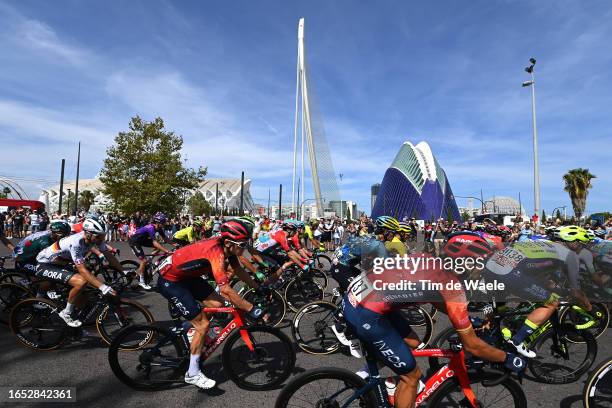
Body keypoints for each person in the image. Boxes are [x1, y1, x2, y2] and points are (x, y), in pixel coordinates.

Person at [343, 242, 525, 408]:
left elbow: (435, 298)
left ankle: (383, 382)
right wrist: (508, 358)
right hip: (366, 313)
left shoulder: (429, 260)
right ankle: (379, 379)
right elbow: (473, 347)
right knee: (411, 376)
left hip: (358, 298)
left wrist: (465, 319)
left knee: (415, 344)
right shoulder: (451, 285)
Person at [157, 221, 264, 389]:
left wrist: (258, 288)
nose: (245, 248)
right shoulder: (217, 253)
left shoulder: (227, 247)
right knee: (203, 324)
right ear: (229, 243)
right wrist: (252, 309)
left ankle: (192, 330)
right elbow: (226, 290)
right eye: (243, 244)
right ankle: (192, 373)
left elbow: (239, 270)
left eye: (247, 243)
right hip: (170, 280)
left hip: (186, 276)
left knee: (217, 304)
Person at [483, 225, 595, 358]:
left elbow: (537, 270)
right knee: (552, 303)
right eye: (582, 244)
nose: (583, 249)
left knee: (499, 310)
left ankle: (490, 334)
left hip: (492, 265)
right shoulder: (570, 255)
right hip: (509, 272)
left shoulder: (544, 243)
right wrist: (589, 309)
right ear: (574, 243)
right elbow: (576, 291)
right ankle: (517, 341)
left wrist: (551, 286)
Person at [35, 217, 122, 327]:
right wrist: (104, 288)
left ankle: (77, 322)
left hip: (62, 263)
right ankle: (66, 313)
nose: (102, 238)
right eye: (99, 236)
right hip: (45, 264)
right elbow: (82, 270)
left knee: (86, 290)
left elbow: (109, 256)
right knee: (81, 282)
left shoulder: (95, 239)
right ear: (88, 234)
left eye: (103, 235)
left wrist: (124, 272)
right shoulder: (76, 242)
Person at [128, 212, 172, 290]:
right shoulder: (150, 228)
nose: (164, 224)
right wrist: (167, 251)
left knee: (159, 247)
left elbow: (165, 238)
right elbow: (154, 242)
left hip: (142, 240)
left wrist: (175, 244)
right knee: (143, 260)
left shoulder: (159, 228)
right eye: (163, 222)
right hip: (134, 241)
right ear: (158, 222)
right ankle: (141, 282)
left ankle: (148, 261)